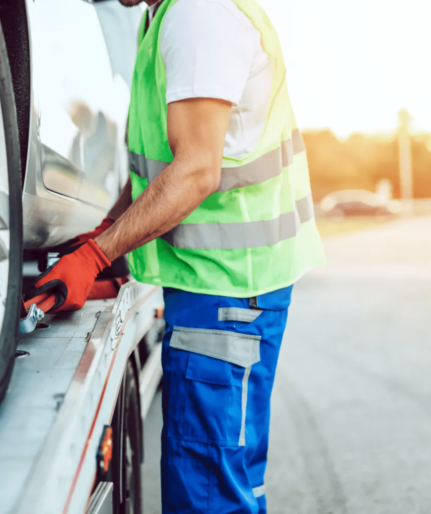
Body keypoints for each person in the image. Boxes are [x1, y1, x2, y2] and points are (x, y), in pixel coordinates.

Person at [24, 0, 326, 512]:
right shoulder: (170, 13)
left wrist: (99, 254)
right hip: (231, 293)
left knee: (207, 496)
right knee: (231, 483)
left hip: (225, 298)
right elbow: (158, 169)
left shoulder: (197, 15)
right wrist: (106, 233)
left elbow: (195, 171)